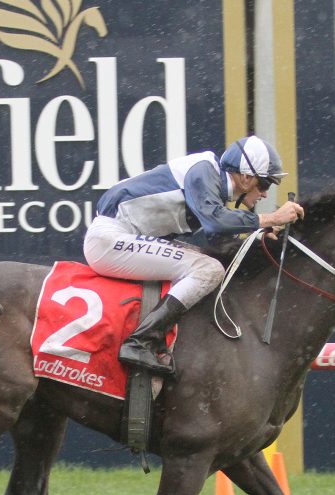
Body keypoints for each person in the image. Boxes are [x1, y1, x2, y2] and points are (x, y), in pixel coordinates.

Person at [84, 134, 304, 375]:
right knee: (208, 270)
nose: (265, 194)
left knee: (208, 262)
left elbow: (220, 241)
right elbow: (215, 222)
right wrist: (271, 218)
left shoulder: (212, 183)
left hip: (119, 238)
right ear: (246, 177)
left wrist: (258, 237)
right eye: (265, 185)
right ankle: (141, 341)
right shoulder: (204, 171)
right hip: (109, 240)